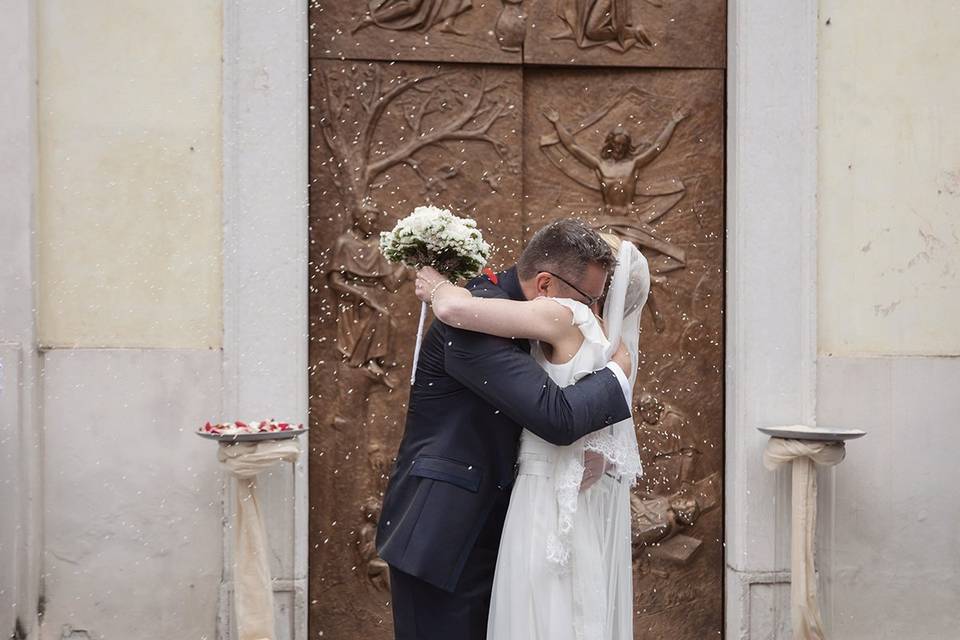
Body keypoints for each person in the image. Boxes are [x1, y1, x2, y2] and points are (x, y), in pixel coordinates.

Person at [376, 219, 635, 640]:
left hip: (507, 530)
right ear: (547, 284)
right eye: (590, 299)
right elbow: (557, 418)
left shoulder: (520, 316)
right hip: (448, 535)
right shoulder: (475, 319)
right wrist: (617, 375)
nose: (594, 313)